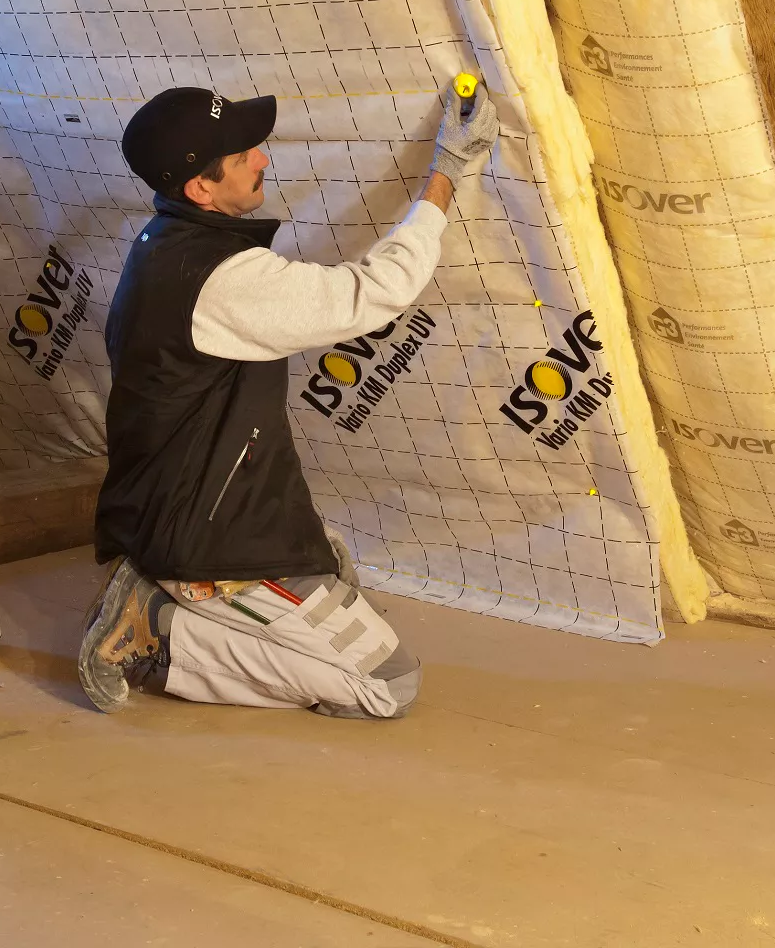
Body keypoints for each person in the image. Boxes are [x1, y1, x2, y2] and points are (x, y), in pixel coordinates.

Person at [77, 82, 498, 718]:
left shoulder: (165, 246)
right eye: (243, 154)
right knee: (386, 687)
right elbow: (374, 291)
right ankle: (159, 632)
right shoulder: (222, 281)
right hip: (201, 536)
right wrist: (449, 170)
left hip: (183, 506)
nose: (263, 158)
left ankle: (173, 598)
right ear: (200, 189)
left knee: (332, 573)